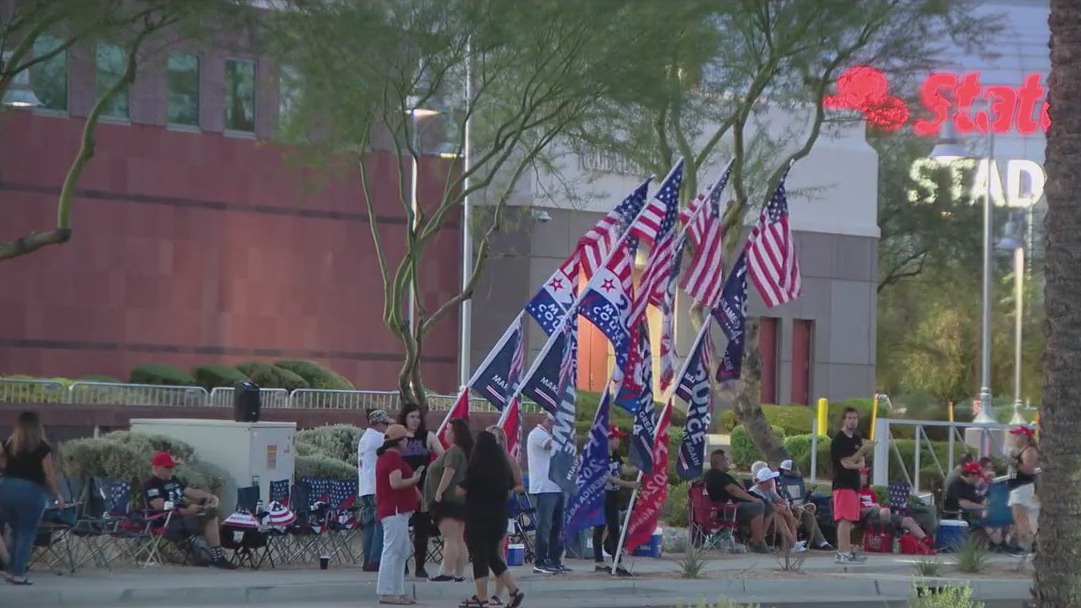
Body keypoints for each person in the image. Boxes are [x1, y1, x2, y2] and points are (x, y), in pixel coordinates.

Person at [457, 431, 526, 608]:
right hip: (499, 517)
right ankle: (514, 590)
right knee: (493, 556)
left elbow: (462, 490)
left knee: (479, 557)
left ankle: (482, 597)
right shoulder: (502, 466)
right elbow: (512, 486)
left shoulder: (476, 466)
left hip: (477, 517)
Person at [0, 411, 65, 585]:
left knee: (13, 529)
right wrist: (58, 495)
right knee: (25, 533)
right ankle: (17, 573)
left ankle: (9, 567)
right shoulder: (42, 447)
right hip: (31, 490)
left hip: (5, 487)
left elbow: (2, 464)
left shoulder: (8, 444)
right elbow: (49, 474)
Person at [142, 451, 236, 570]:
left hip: (183, 519)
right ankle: (217, 557)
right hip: (168, 524)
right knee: (210, 517)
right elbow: (159, 506)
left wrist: (208, 496)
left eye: (172, 467)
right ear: (156, 468)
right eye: (167, 467)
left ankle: (212, 552)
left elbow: (190, 492)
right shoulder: (151, 484)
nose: (171, 470)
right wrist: (186, 511)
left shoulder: (174, 480)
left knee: (210, 512)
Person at [376, 424, 424, 606]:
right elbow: (395, 483)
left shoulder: (389, 458)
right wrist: (414, 480)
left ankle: (397, 590)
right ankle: (386, 591)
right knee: (393, 551)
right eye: (405, 439)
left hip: (398, 510)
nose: (407, 442)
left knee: (401, 551)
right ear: (398, 441)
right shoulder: (393, 459)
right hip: (394, 509)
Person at [398, 402, 445, 579]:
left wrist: (434, 472)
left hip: (423, 488)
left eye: (418, 417)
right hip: (402, 486)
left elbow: (444, 457)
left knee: (421, 529)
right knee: (401, 528)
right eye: (412, 417)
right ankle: (401, 565)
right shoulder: (398, 436)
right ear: (405, 418)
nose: (415, 420)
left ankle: (420, 566)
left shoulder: (428, 436)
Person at [425, 417, 473, 582]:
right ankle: (458, 574)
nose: (445, 432)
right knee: (458, 538)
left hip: (448, 501)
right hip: (460, 502)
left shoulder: (453, 451)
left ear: (455, 433)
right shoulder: (462, 452)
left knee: (449, 537)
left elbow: (449, 471)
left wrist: (439, 492)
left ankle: (447, 571)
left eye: (448, 429)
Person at [702, 450, 770, 554]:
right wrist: (753, 499)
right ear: (718, 461)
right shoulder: (715, 475)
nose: (728, 461)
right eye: (726, 459)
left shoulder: (720, 475)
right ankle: (757, 542)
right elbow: (732, 490)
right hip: (726, 510)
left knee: (769, 506)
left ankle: (761, 540)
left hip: (730, 507)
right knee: (758, 506)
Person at [593, 425, 640, 576]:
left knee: (613, 528)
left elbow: (624, 470)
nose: (619, 440)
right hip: (602, 495)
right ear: (608, 439)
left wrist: (640, 467)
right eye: (616, 437)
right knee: (604, 527)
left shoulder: (615, 454)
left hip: (613, 495)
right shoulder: (600, 456)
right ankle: (604, 562)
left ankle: (615, 562)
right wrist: (630, 485)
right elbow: (609, 478)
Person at [486, 425, 523, 606]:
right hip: (484, 509)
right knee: (485, 551)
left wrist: (508, 490)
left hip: (502, 508)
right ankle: (486, 591)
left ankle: (498, 593)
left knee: (498, 552)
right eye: (491, 438)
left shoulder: (509, 460)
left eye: (498, 438)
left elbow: (520, 485)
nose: (495, 441)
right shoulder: (481, 460)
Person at [830, 406, 871, 564]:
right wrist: (857, 458)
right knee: (844, 519)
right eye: (849, 418)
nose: (853, 421)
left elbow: (861, 462)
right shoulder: (839, 440)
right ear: (844, 420)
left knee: (852, 519)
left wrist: (857, 459)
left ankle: (848, 549)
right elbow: (845, 464)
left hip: (854, 484)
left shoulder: (857, 439)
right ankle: (842, 552)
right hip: (842, 483)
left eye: (855, 418)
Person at [526, 414, 566, 573]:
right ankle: (540, 561)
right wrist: (564, 437)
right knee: (544, 526)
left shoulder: (549, 435)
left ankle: (554, 559)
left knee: (557, 525)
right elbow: (550, 446)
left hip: (557, 486)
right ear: (547, 421)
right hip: (544, 487)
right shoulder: (537, 434)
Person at [857, 468, 933, 547]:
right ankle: (885, 539)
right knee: (885, 511)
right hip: (863, 513)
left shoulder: (870, 492)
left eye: (866, 474)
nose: (866, 476)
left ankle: (926, 540)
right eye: (863, 474)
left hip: (879, 514)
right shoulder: (853, 492)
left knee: (908, 520)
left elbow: (878, 506)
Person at [358, 409, 391, 572]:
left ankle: (367, 560)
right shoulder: (378, 438)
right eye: (385, 424)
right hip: (375, 487)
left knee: (369, 524)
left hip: (365, 487)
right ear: (378, 423)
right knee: (379, 524)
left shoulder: (364, 438)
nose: (387, 427)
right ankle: (375, 559)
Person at [775, 460, 832, 551]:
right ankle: (818, 542)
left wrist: (806, 502)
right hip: (788, 508)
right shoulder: (779, 481)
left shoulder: (798, 480)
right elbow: (782, 497)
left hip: (799, 506)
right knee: (806, 513)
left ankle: (821, 542)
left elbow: (801, 496)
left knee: (808, 511)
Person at [749, 467, 803, 552]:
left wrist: (786, 507)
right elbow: (772, 507)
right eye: (771, 479)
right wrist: (791, 517)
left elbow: (781, 501)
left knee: (782, 511)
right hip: (760, 517)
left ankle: (793, 543)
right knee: (777, 514)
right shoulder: (755, 492)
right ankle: (793, 543)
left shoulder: (768, 490)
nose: (773, 480)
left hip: (770, 516)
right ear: (766, 481)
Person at [1006, 425, 1040, 552]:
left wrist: (1014, 463)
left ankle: (1025, 546)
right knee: (1019, 518)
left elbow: (1029, 469)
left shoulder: (1029, 450)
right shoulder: (1019, 449)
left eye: (1017, 435)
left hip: (1022, 487)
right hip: (1017, 486)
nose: (1014, 437)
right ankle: (1024, 545)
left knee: (1022, 520)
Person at [943, 461, 987, 530]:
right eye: (978, 476)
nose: (979, 478)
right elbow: (963, 503)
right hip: (957, 515)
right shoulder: (956, 485)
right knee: (989, 523)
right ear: (971, 475)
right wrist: (982, 506)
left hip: (969, 514)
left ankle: (997, 540)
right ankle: (999, 541)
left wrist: (986, 504)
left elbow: (979, 499)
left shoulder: (971, 485)